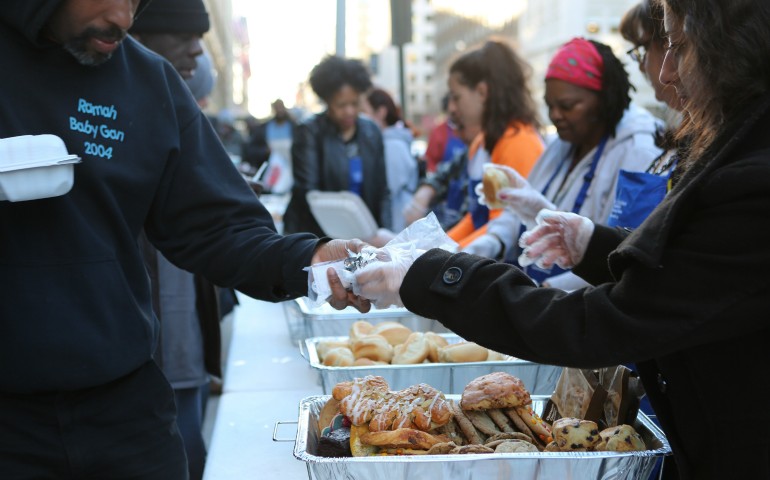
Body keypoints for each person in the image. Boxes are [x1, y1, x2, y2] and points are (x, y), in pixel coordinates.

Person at [355, 0, 770, 477]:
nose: (668, 73)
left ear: (729, 49)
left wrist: (433, 275)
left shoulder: (750, 180)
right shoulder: (741, 150)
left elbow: (608, 320)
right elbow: (681, 268)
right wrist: (593, 244)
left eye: (677, 47)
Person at [0, 1, 367, 478]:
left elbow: (217, 224)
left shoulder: (148, 80)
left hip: (125, 412)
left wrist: (311, 256)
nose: (124, 18)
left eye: (135, 0)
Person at [464, 37, 663, 291]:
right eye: (550, 106)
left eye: (568, 106)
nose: (556, 115)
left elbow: (622, 253)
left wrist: (549, 289)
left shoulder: (639, 151)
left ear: (603, 98)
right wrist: (487, 244)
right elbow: (517, 215)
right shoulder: (561, 145)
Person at [128, 1, 220, 478]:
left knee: (193, 439)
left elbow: (219, 223)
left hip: (181, 316)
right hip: (138, 344)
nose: (198, 50)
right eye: (185, 36)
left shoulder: (179, 117)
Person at [405, 38, 544, 249]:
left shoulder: (518, 143)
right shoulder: (482, 144)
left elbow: (500, 227)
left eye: (456, 97)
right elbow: (475, 217)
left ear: (482, 92)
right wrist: (433, 249)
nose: (451, 108)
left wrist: (446, 254)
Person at [283, 54, 390, 237]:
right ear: (327, 101)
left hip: (363, 233)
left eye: (355, 103)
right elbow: (309, 195)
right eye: (341, 105)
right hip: (317, 235)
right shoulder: (309, 132)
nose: (349, 111)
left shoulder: (371, 132)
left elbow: (381, 191)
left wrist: (380, 235)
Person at [361, 87, 419, 233]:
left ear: (380, 112)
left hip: (398, 223)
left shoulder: (392, 145)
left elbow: (389, 188)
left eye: (364, 113)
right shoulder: (391, 141)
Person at [422, 92, 465, 175]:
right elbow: (430, 162)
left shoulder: (471, 130)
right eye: (452, 103)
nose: (455, 109)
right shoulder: (438, 132)